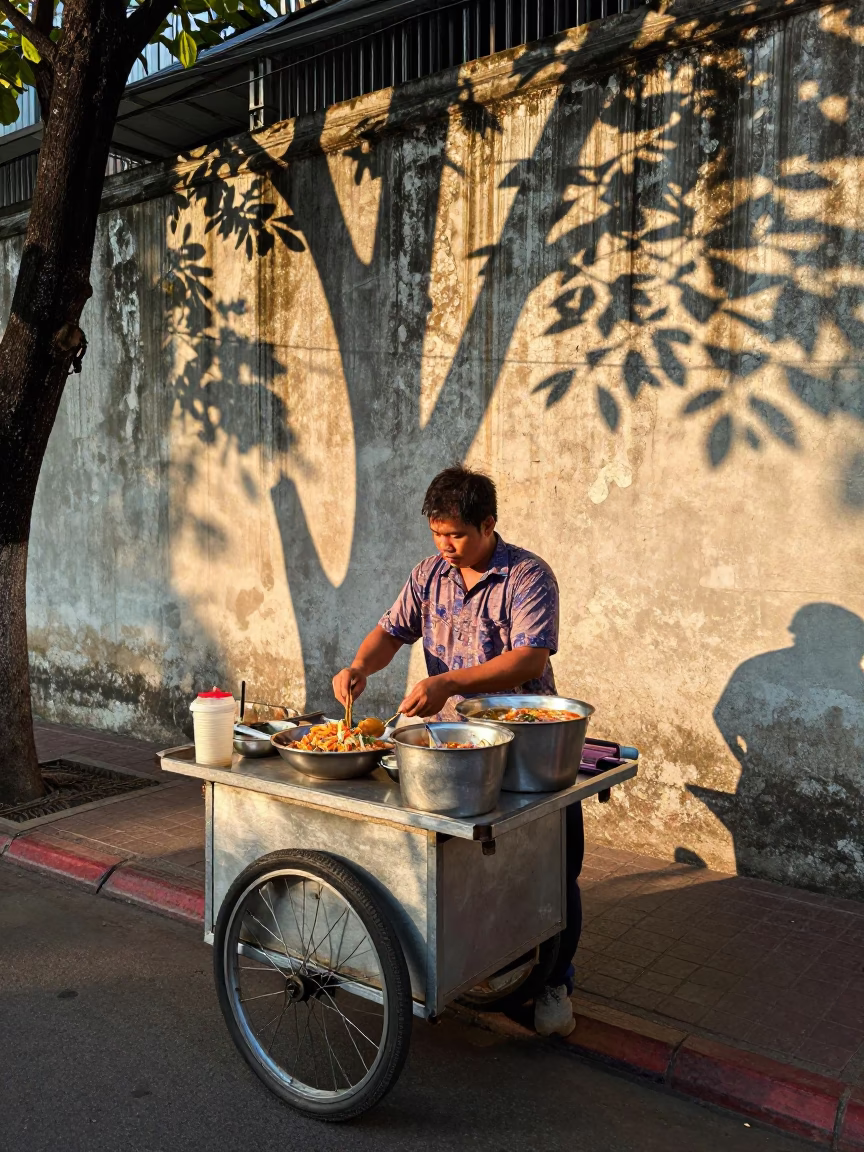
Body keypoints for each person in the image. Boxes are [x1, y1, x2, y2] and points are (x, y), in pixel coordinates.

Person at [332, 465, 582, 1037]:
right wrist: (359, 667)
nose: (446, 547)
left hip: (525, 743)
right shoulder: (429, 574)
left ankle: (553, 982)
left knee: (554, 868)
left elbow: (529, 660)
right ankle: (467, 965)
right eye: (437, 534)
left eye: (457, 536)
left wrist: (449, 683)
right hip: (449, 748)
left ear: (488, 524)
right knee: (458, 867)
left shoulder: (527, 576)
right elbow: (392, 631)